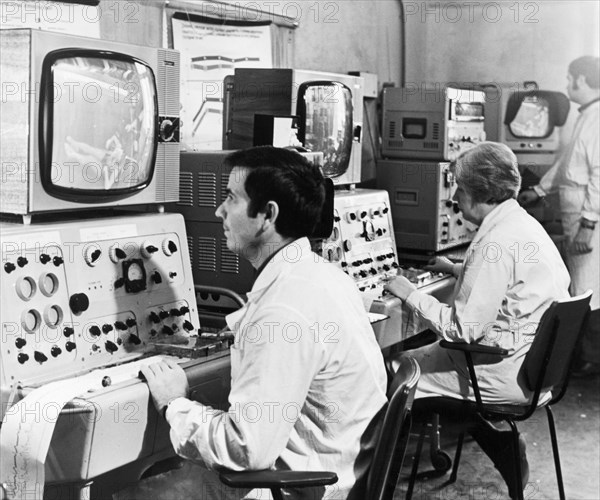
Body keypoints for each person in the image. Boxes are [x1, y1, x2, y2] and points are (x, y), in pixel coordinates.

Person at [141, 146, 388, 500]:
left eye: (231, 198)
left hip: (304, 489)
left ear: (266, 215)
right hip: (342, 473)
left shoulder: (281, 312)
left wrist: (174, 404)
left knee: (138, 492)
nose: (219, 210)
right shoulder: (323, 276)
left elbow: (246, 450)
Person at [384, 142, 570, 499]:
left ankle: (377, 483)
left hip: (500, 374)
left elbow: (463, 329)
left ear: (475, 192)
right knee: (428, 352)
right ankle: (500, 443)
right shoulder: (522, 225)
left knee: (394, 368)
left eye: (458, 187)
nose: (454, 196)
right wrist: (457, 269)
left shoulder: (494, 242)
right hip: (535, 369)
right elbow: (509, 281)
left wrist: (409, 292)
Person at [518, 56, 600, 377]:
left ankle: (589, 360)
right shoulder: (586, 117)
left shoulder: (597, 118)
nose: (567, 86)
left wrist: (588, 226)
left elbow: (599, 175)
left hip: (587, 221)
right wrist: (538, 191)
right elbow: (568, 164)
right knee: (582, 287)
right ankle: (584, 356)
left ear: (582, 80)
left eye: (569, 79)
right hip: (577, 216)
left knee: (587, 290)